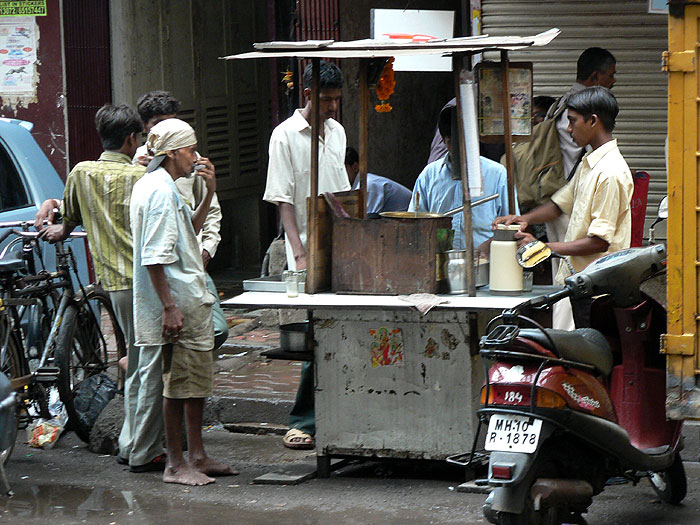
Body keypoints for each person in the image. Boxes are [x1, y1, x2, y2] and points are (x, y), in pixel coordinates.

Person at [35, 105, 168, 473]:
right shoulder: (143, 177)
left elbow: (68, 223)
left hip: (112, 283)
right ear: (131, 139)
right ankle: (138, 446)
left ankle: (136, 442)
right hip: (146, 280)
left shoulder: (81, 173)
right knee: (148, 367)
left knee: (140, 363)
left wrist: (53, 216)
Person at [130, 118, 234, 485]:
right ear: (172, 152)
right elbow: (153, 256)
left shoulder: (164, 186)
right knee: (177, 388)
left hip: (189, 300)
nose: (196, 156)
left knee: (193, 385)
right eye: (190, 149)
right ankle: (176, 464)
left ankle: (198, 455)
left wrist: (208, 192)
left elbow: (187, 231)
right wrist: (170, 307)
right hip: (178, 304)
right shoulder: (158, 191)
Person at [493, 87, 633, 330]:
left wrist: (542, 248)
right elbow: (559, 205)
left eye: (572, 121)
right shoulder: (588, 165)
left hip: (596, 292)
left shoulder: (610, 173)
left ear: (593, 121)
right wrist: (523, 218)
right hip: (578, 284)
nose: (568, 130)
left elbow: (599, 242)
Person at [263, 60, 349, 449]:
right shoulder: (284, 136)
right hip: (303, 249)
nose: (333, 107)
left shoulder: (338, 132)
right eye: (327, 100)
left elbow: (341, 196)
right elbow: (282, 201)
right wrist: (298, 253)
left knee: (342, 331)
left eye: (337, 100)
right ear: (309, 95)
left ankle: (339, 413)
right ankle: (303, 420)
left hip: (339, 246)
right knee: (312, 336)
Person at [134, 91, 228, 350]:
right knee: (166, 352)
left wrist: (207, 248)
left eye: (173, 123)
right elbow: (153, 253)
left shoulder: (188, 158)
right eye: (159, 125)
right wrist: (169, 306)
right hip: (165, 278)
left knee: (212, 332)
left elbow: (205, 216)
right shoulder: (149, 176)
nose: (169, 130)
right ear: (146, 128)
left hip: (191, 264)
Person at [409, 104, 517, 256]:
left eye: (466, 142)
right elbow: (415, 223)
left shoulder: (497, 173)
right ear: (444, 141)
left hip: (484, 263)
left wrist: (489, 245)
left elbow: (511, 224)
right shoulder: (429, 175)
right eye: (453, 142)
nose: (461, 149)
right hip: (440, 262)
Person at [545, 48, 617, 259]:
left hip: (556, 195)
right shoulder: (582, 109)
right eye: (610, 74)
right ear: (595, 76)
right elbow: (599, 242)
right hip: (572, 204)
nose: (613, 81)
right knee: (573, 267)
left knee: (561, 270)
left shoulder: (559, 104)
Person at [344, 146, 411, 214]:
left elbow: (368, 220)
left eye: (342, 170)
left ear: (355, 167)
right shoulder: (360, 185)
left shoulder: (368, 184)